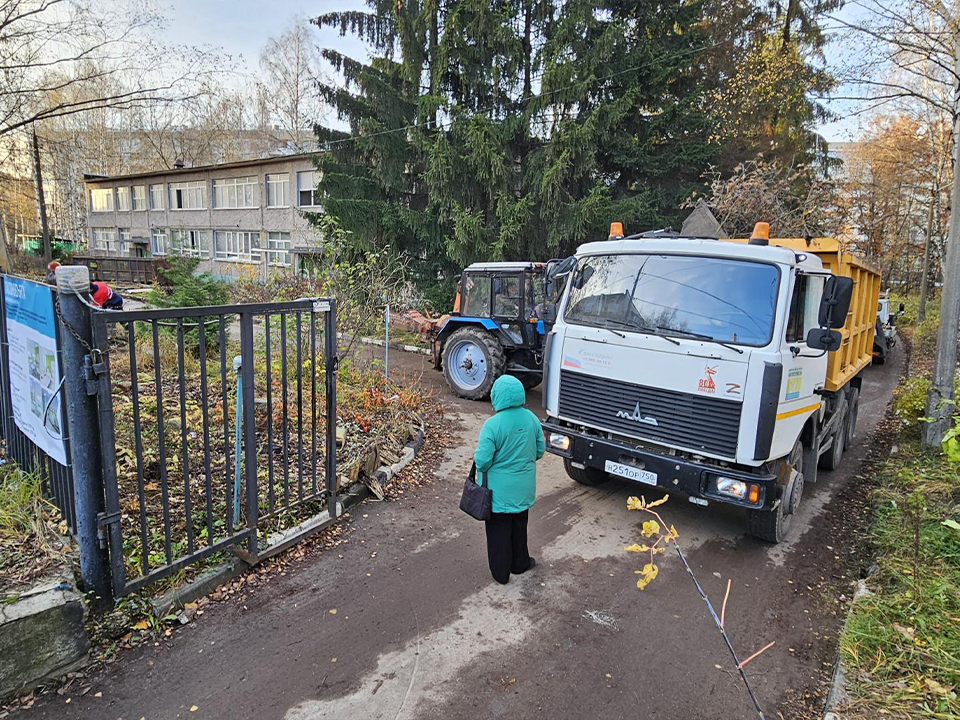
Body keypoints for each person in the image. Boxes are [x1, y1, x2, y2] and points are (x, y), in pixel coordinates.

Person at [473, 374, 545, 584]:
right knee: (519, 528)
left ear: (497, 396)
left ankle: (501, 573)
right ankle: (520, 563)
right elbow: (540, 450)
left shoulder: (492, 425)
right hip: (523, 490)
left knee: (498, 534)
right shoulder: (531, 418)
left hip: (498, 494)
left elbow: (483, 461)